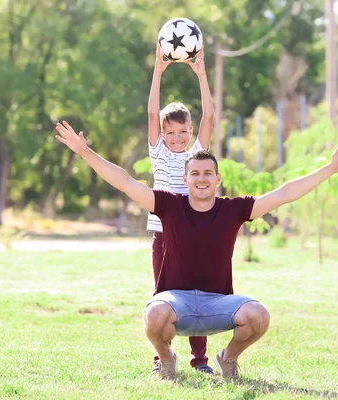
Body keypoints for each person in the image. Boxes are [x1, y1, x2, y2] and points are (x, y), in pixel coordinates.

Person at [54, 121, 338, 380]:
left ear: (217, 179)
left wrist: (330, 169)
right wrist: (85, 152)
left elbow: (284, 193)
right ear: (185, 178)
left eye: (207, 174)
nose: (201, 179)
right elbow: (124, 181)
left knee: (258, 316)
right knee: (154, 314)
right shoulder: (168, 205)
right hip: (177, 303)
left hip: (218, 304)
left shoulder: (234, 209)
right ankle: (167, 360)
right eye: (195, 174)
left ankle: (227, 359)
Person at [146, 43, 214, 374]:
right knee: (164, 297)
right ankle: (163, 357)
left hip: (193, 236)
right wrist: (158, 71)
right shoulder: (157, 153)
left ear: (190, 132)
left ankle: (199, 360)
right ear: (162, 133)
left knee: (197, 295)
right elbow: (150, 113)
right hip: (162, 237)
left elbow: (210, 116)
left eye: (182, 131)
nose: (176, 137)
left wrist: (201, 74)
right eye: (170, 132)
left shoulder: (196, 156)